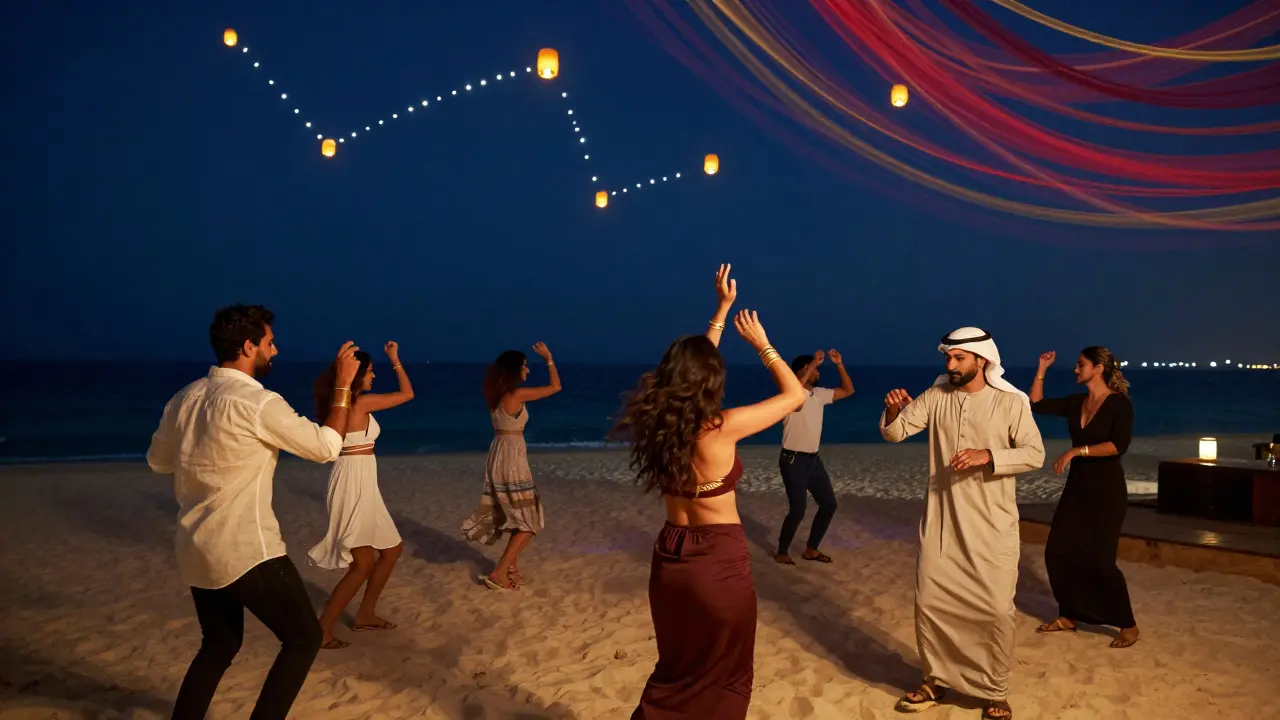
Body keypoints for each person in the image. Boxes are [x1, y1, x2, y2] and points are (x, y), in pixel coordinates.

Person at [146, 304, 360, 720]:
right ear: (248, 346)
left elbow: (159, 461)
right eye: (269, 343)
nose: (275, 352)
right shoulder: (257, 402)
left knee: (219, 645)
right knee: (303, 639)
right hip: (247, 550)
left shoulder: (184, 398)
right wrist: (342, 385)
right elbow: (326, 447)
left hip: (195, 549)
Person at [612, 264, 807, 719]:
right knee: (726, 676)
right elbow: (795, 395)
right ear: (711, 381)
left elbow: (690, 375)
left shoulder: (656, 423)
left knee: (676, 672)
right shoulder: (721, 428)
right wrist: (763, 345)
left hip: (670, 560)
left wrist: (720, 313)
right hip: (717, 563)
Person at [879, 327, 1045, 720]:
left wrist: (987, 455)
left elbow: (1034, 454)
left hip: (992, 525)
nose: (950, 365)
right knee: (934, 604)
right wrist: (891, 409)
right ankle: (936, 679)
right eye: (948, 359)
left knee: (996, 611)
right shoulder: (935, 396)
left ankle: (994, 691)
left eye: (959, 359)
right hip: (941, 523)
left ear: (982, 361)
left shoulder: (1010, 402)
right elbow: (896, 432)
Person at [1029, 347, 1139, 648]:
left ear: (1099, 368)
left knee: (1101, 560)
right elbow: (1036, 403)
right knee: (1058, 552)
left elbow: (1119, 445)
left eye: (1081, 365)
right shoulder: (1077, 401)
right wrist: (1042, 368)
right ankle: (1069, 615)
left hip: (1107, 491)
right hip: (1077, 488)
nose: (1076, 370)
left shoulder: (1119, 405)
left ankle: (1127, 624)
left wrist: (1078, 450)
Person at [308, 341, 416, 650]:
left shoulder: (340, 405)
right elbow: (408, 394)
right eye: (369, 372)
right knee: (362, 564)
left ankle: (365, 613)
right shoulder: (358, 404)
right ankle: (323, 629)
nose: (372, 377)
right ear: (356, 376)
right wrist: (395, 359)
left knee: (392, 550)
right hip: (352, 483)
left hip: (363, 482)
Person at [462, 341, 561, 589]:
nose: (528, 370)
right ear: (515, 370)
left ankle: (512, 567)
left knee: (517, 515)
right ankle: (500, 572)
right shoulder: (515, 394)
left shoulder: (494, 395)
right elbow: (556, 387)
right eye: (525, 366)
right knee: (530, 522)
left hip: (498, 453)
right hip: (512, 458)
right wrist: (549, 358)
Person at [774, 348, 854, 565]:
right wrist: (811, 367)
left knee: (829, 505)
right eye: (815, 368)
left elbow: (848, 390)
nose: (818, 372)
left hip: (813, 461)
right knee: (798, 510)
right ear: (804, 369)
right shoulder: (791, 394)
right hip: (792, 460)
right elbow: (796, 391)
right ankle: (782, 551)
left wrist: (839, 364)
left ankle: (811, 549)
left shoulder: (819, 395)